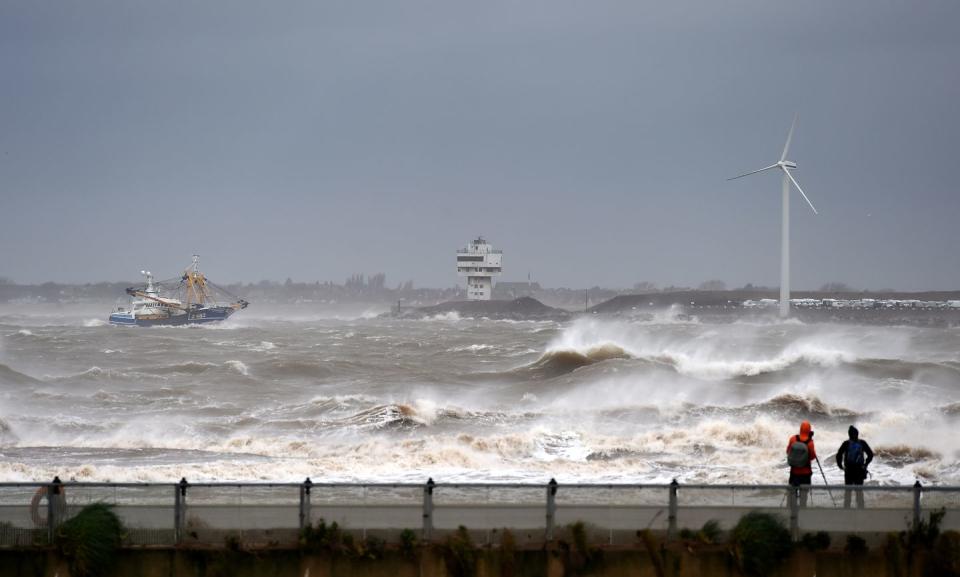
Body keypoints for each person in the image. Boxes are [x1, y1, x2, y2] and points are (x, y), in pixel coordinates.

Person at [836, 425, 874, 509]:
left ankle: (846, 511)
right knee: (859, 493)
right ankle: (860, 511)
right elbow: (870, 455)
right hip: (859, 471)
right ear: (857, 434)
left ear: (849, 435)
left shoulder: (846, 443)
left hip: (849, 471)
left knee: (848, 493)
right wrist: (865, 465)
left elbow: (839, 455)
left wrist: (841, 466)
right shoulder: (862, 443)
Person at [786, 420, 816, 507]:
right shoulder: (810, 442)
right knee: (804, 497)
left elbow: (788, 451)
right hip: (805, 474)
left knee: (792, 495)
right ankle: (802, 511)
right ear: (809, 430)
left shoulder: (793, 439)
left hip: (794, 473)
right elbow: (812, 457)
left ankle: (792, 513)